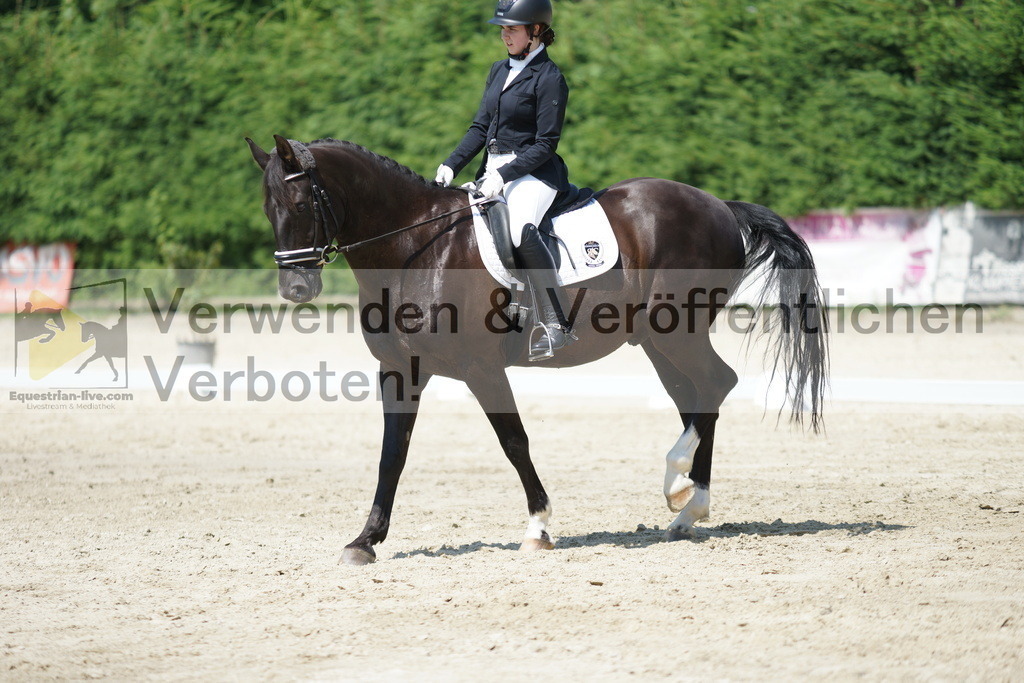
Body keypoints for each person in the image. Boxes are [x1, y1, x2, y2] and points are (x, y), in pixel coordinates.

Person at [435, 0, 574, 361]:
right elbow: (481, 127)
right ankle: (509, 307)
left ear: (536, 31)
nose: (505, 34)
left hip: (534, 173)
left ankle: (557, 322)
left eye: (512, 28)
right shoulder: (499, 70)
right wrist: (452, 164)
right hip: (492, 170)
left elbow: (546, 143)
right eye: (503, 28)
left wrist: (505, 175)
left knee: (520, 230)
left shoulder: (550, 78)